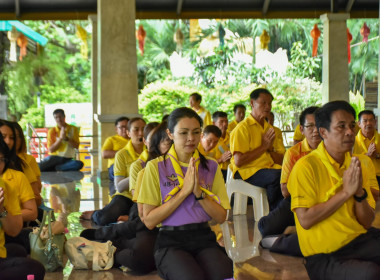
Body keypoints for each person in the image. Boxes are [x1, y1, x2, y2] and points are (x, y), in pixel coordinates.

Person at [288, 101, 380, 280]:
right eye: (341, 126)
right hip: (324, 254)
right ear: (323, 132)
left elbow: (367, 222)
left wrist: (359, 193)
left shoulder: (355, 164)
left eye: (352, 126)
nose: (350, 132)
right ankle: (279, 241)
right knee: (370, 274)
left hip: (357, 240)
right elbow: (305, 219)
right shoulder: (306, 167)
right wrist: (346, 193)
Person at [138, 107, 233, 280]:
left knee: (225, 275)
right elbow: (149, 221)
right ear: (170, 133)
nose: (191, 138)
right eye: (183, 133)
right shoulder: (155, 167)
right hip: (170, 240)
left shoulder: (210, 166)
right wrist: (184, 192)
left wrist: (199, 194)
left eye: (196, 132)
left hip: (204, 237)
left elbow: (221, 216)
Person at [80, 122, 171, 275]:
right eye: (164, 141)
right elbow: (129, 195)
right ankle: (111, 237)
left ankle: (121, 234)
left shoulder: (186, 164)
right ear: (150, 142)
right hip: (141, 212)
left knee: (157, 255)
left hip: (160, 221)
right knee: (139, 256)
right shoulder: (139, 165)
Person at [259, 106, 320, 256]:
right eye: (310, 126)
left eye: (319, 125)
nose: (315, 130)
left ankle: (294, 230)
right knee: (266, 228)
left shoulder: (332, 150)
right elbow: (285, 191)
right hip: (297, 200)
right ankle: (294, 227)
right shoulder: (294, 153)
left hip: (324, 201)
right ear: (302, 129)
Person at [80, 117, 146, 226]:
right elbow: (119, 186)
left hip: (145, 196)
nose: (140, 133)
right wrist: (138, 175)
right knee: (104, 218)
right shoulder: (121, 154)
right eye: (136, 129)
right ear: (129, 133)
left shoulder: (151, 151)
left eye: (143, 129)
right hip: (127, 196)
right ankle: (96, 214)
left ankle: (129, 217)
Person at [0, 133, 45, 280]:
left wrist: (1, 210)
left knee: (34, 269)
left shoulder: (5, 186)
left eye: (0, 160)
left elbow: (13, 230)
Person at [230, 88, 283, 210]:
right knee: (277, 176)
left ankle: (285, 215)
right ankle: (273, 214)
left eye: (269, 103)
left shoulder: (270, 129)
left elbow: (281, 159)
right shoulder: (242, 128)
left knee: (289, 173)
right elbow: (239, 161)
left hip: (267, 168)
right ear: (252, 103)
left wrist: (269, 150)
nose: (267, 106)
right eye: (263, 102)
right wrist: (263, 147)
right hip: (246, 171)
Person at [353, 110, 380, 200]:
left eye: (371, 120)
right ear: (359, 124)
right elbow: (349, 161)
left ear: (375, 122)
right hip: (363, 177)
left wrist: (377, 155)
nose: (368, 123)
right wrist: (367, 155)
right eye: (365, 121)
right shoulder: (353, 141)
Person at [101, 116, 130, 184]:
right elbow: (104, 154)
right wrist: (124, 153)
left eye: (126, 127)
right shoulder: (111, 139)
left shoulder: (135, 139)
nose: (124, 129)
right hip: (116, 165)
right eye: (121, 127)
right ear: (116, 129)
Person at [212, 111, 232, 181]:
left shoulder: (232, 136)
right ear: (214, 123)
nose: (225, 124)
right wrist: (221, 160)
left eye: (226, 121)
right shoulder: (210, 139)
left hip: (232, 171)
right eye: (221, 122)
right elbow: (205, 163)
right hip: (216, 172)